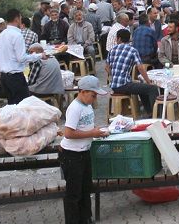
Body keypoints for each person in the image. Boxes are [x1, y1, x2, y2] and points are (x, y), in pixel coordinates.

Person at [59, 75, 109, 224]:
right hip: (72, 155)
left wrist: (97, 131)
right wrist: (92, 133)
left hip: (84, 152)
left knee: (86, 189)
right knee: (74, 193)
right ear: (83, 91)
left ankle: (86, 218)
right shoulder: (74, 108)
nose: (94, 99)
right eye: (93, 95)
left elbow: (87, 127)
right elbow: (68, 133)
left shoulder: (87, 106)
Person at [107, 29, 160, 116]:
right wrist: (149, 82)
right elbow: (140, 68)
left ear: (119, 39)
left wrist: (114, 75)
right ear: (129, 39)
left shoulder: (112, 50)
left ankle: (149, 112)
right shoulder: (132, 50)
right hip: (124, 84)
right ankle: (156, 114)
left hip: (114, 85)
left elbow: (107, 68)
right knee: (152, 88)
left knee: (142, 87)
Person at [0, 9, 45, 104]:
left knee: (12, 105)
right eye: (20, 18)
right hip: (15, 76)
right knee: (22, 106)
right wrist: (40, 56)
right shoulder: (17, 35)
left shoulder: (1, 35)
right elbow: (21, 58)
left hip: (4, 76)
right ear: (17, 19)